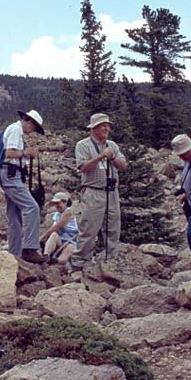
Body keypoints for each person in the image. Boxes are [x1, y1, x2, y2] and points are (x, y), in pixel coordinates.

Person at [71, 113, 128, 268]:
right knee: (89, 228)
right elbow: (83, 167)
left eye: (108, 125)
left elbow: (123, 166)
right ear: (93, 128)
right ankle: (80, 261)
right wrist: (100, 157)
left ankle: (111, 260)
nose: (106, 128)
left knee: (113, 228)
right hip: (93, 191)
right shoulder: (83, 145)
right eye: (103, 125)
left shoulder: (112, 145)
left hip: (111, 191)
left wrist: (113, 158)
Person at [0, 109, 46, 263]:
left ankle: (14, 252)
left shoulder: (16, 130)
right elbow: (10, 153)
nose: (32, 132)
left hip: (10, 174)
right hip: (11, 175)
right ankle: (30, 248)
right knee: (32, 207)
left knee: (14, 216)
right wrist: (26, 152)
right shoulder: (15, 129)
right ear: (29, 121)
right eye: (33, 128)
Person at [39, 192, 78, 264]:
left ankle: (57, 262)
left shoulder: (68, 212)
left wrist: (42, 236)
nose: (56, 206)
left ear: (65, 202)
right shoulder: (56, 215)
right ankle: (46, 256)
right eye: (55, 203)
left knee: (70, 248)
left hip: (71, 239)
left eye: (58, 203)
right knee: (54, 235)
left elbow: (57, 226)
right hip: (60, 239)